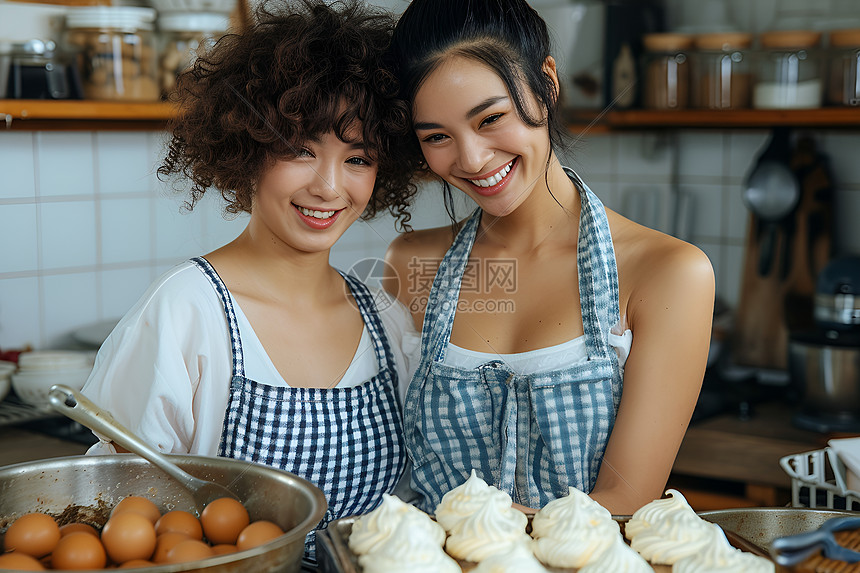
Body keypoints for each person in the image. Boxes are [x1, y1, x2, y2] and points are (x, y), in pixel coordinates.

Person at [80, 0, 419, 560]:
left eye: (357, 158)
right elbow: (128, 513)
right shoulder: (187, 310)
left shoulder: (386, 319)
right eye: (298, 150)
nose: (330, 187)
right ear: (247, 151)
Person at [384, 0, 715, 516]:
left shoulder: (669, 273)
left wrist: (476, 531)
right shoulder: (409, 261)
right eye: (437, 137)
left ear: (547, 83)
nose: (471, 159)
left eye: (491, 117)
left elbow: (626, 504)